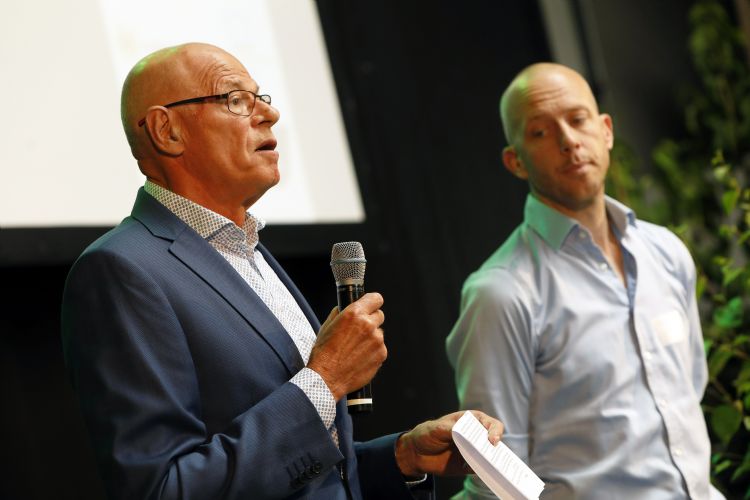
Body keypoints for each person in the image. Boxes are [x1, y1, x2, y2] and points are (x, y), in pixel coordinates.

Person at [61, 42, 503, 500]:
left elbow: (313, 474)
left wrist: (403, 458)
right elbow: (163, 489)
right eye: (235, 99)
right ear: (166, 130)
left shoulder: (249, 252)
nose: (268, 116)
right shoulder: (121, 271)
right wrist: (324, 380)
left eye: (261, 98)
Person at [446, 63, 723, 499]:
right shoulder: (500, 293)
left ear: (606, 130)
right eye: (540, 131)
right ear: (515, 161)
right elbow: (493, 479)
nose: (568, 141)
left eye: (577, 120)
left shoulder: (666, 252)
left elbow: (688, 395)